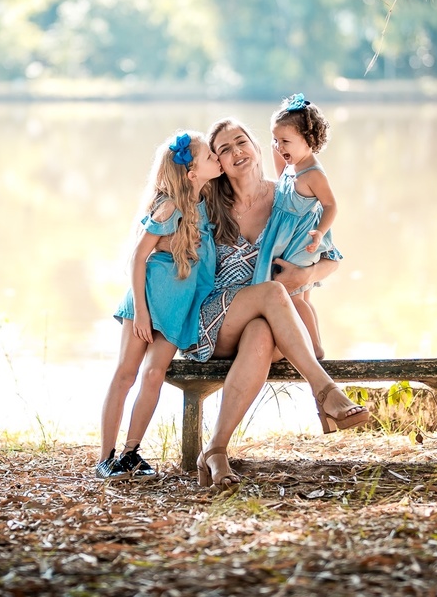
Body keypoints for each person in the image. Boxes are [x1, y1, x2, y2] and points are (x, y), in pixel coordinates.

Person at [179, 118, 370, 488]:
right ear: (216, 162)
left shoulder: (290, 196)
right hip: (213, 323)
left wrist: (306, 276)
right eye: (224, 149)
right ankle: (325, 390)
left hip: (274, 324)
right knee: (271, 293)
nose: (236, 152)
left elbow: (330, 256)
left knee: (262, 329)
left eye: (241, 142)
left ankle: (215, 450)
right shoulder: (207, 205)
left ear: (256, 145)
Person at [97, 131, 222, 479]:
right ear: (192, 172)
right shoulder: (170, 206)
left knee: (154, 375)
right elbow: (138, 258)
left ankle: (130, 453)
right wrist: (140, 311)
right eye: (209, 155)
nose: (217, 158)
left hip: (178, 307)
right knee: (126, 374)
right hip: (148, 298)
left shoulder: (203, 203)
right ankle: (105, 458)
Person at [260, 92, 338, 359]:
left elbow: (331, 205)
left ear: (308, 140)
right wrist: (278, 150)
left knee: (294, 295)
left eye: (285, 141)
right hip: (289, 238)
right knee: (301, 297)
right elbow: (282, 179)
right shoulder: (294, 165)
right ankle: (307, 344)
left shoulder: (312, 173)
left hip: (303, 241)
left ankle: (314, 348)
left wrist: (321, 232)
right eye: (275, 139)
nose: (280, 146)